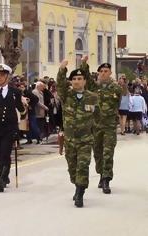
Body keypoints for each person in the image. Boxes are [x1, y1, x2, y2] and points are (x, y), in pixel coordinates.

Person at [57, 60, 98, 208]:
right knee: (72, 168)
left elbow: (97, 117)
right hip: (70, 140)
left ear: (85, 81)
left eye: (79, 79)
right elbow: (60, 85)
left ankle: (80, 192)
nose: (76, 81)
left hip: (85, 140)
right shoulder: (66, 96)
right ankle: (77, 185)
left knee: (83, 165)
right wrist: (62, 70)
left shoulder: (92, 97)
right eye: (74, 79)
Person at [80, 57, 122, 194]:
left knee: (108, 152)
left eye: (106, 71)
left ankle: (106, 179)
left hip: (109, 125)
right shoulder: (94, 86)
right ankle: (101, 173)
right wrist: (84, 63)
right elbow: (85, 76)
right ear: (98, 73)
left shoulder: (116, 88)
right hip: (96, 125)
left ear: (110, 73)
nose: (103, 73)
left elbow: (116, 105)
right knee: (97, 152)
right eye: (101, 71)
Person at [0, 63, 27, 192]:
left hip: (8, 129)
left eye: (2, 75)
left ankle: (1, 181)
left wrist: (24, 106)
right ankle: (4, 175)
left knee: (5, 154)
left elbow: (21, 110)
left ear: (7, 77)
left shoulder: (15, 92)